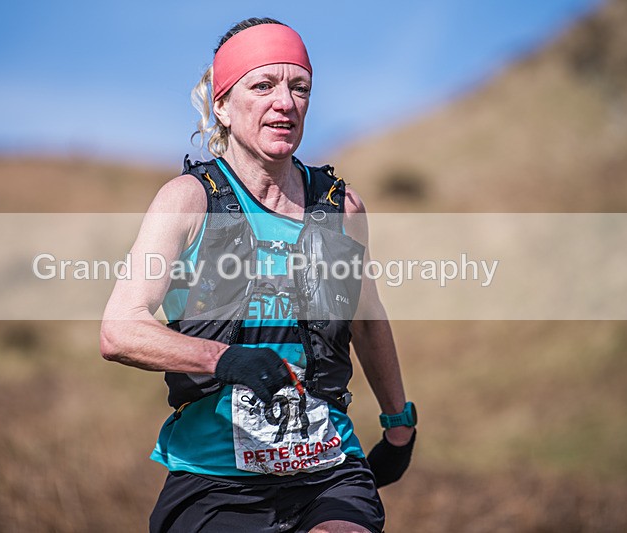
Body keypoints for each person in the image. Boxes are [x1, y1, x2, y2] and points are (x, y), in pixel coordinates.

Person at [100, 17, 416, 533]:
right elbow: (119, 330)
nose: (285, 102)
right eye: (263, 85)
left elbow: (367, 320)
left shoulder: (341, 208)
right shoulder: (188, 201)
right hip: (213, 481)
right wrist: (224, 359)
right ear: (222, 105)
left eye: (299, 87)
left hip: (327, 471)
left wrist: (398, 423)